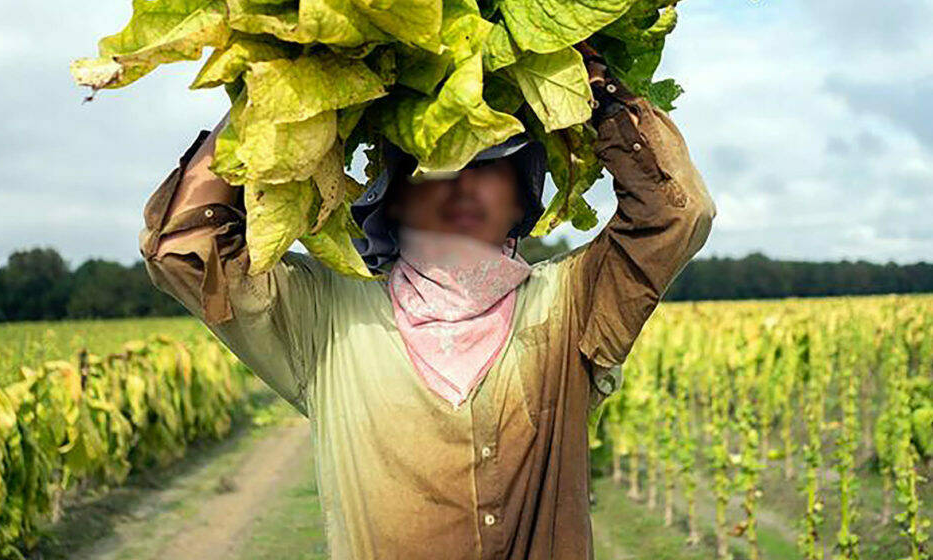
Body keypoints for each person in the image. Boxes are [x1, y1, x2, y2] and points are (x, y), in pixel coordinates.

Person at [139, 41, 716, 560]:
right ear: (391, 200)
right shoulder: (328, 323)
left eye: (489, 167)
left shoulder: (571, 304)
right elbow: (183, 248)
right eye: (434, 167)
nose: (463, 184)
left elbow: (675, 212)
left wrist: (594, 86)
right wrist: (276, 92)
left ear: (522, 200)